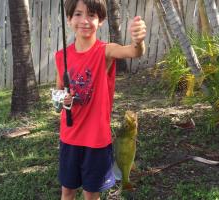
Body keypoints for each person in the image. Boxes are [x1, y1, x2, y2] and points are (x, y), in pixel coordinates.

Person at [54, 0, 146, 199]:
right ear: (69, 19)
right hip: (69, 137)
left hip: (96, 140)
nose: (84, 20)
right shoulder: (61, 56)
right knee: (67, 191)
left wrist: (138, 42)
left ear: (101, 20)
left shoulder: (105, 51)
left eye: (92, 15)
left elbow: (133, 52)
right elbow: (58, 93)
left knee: (91, 193)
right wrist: (63, 100)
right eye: (78, 14)